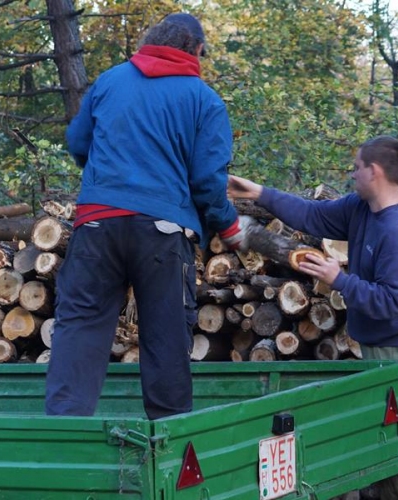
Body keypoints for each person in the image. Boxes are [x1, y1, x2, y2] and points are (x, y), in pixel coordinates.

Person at [44, 13, 248, 420]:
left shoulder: (110, 80)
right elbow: (207, 181)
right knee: (165, 336)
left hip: (97, 224)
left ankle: (64, 435)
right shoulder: (203, 100)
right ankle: (168, 441)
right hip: (162, 231)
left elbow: (78, 141)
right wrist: (228, 223)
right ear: (197, 50)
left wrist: (108, 179)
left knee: (81, 327)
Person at [227, 135, 398, 500]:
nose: (352, 174)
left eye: (356, 168)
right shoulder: (361, 208)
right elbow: (313, 215)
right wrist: (258, 192)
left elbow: (390, 303)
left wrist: (339, 279)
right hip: (382, 343)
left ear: (374, 172)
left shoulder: (397, 233)